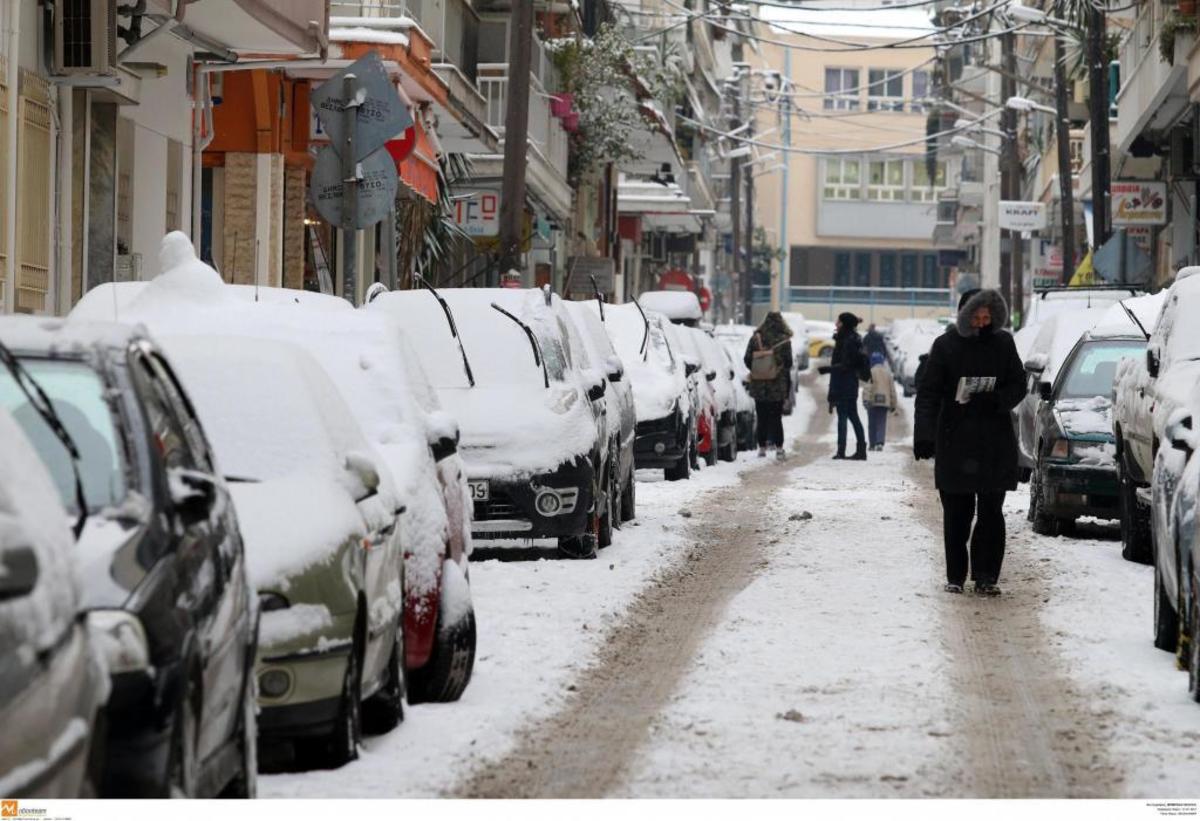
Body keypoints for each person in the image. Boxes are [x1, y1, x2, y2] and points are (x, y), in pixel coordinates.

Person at [913, 289, 1025, 597]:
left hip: (994, 442)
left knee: (991, 513)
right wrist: (924, 435)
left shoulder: (1003, 344)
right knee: (957, 514)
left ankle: (987, 575)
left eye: (987, 317)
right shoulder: (945, 347)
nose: (981, 323)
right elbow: (929, 394)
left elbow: (1019, 382)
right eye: (976, 317)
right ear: (964, 316)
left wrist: (997, 399)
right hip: (955, 440)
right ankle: (956, 575)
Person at [744, 311, 794, 460]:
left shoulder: (756, 338)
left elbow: (747, 359)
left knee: (762, 417)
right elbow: (789, 362)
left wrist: (758, 369)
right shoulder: (785, 340)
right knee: (776, 417)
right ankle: (779, 448)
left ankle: (762, 448)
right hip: (777, 386)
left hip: (759, 385)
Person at [820, 312, 867, 460]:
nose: (836, 324)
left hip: (844, 383)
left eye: (838, 322)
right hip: (848, 383)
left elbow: (846, 365)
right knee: (852, 416)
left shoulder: (847, 340)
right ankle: (860, 450)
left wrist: (828, 369)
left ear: (844, 324)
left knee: (844, 417)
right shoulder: (850, 339)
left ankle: (842, 450)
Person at [861, 351, 898, 451]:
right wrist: (893, 403)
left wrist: (865, 400)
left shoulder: (870, 371)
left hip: (872, 401)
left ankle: (872, 444)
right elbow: (892, 390)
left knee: (871, 423)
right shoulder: (887, 373)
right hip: (884, 401)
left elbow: (867, 387)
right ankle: (880, 442)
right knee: (881, 422)